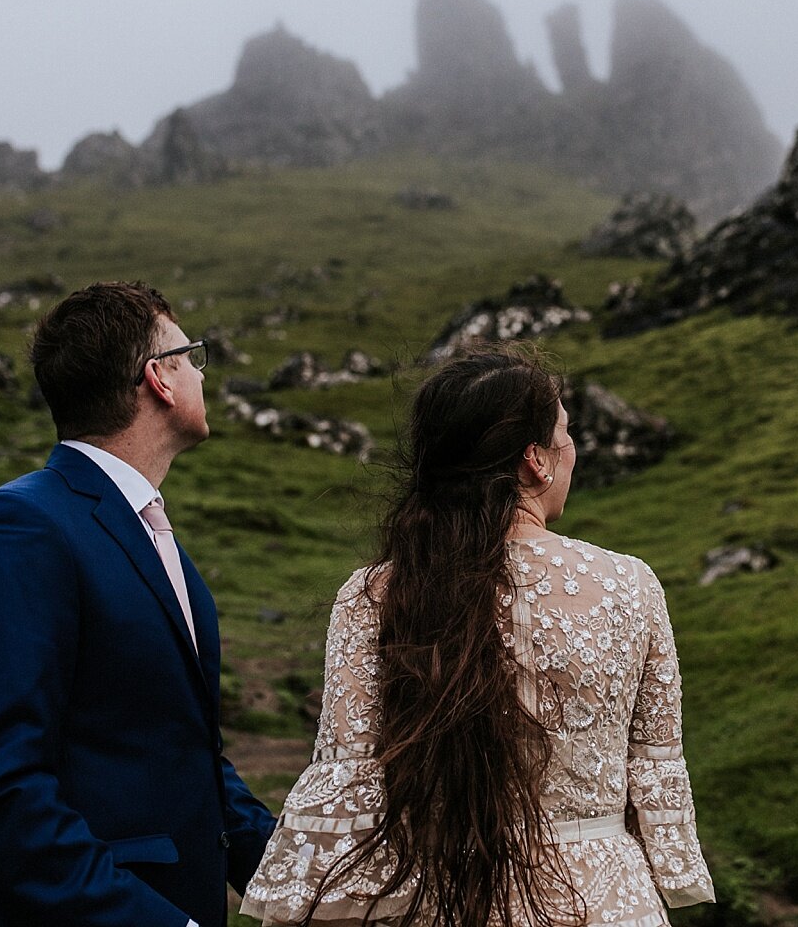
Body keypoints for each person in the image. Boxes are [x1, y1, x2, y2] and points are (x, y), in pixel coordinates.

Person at [240, 346, 714, 926]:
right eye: (566, 434)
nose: (573, 454)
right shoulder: (630, 586)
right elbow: (654, 768)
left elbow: (353, 777)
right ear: (535, 459)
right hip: (605, 899)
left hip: (441, 895)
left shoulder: (375, 595)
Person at [0, 281, 276, 927]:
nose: (203, 374)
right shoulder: (15, 528)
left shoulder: (157, 540)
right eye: (191, 356)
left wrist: (312, 884)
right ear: (159, 380)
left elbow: (184, 757)